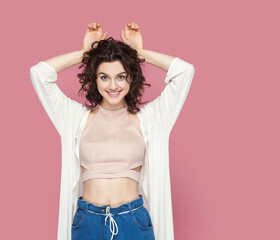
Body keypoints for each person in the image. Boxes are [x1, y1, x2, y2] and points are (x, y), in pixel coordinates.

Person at [30, 21, 195, 240]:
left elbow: (185, 71)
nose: (113, 86)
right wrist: (86, 53)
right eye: (104, 77)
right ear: (94, 78)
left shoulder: (150, 119)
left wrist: (139, 53)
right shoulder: (76, 119)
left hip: (132, 221)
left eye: (121, 76)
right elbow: (39, 74)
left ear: (131, 77)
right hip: (87, 222)